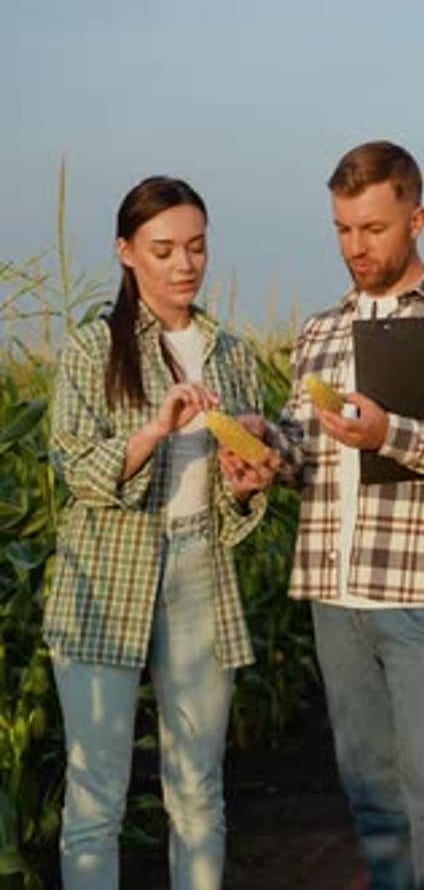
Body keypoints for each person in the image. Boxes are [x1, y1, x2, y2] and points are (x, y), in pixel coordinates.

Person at [219, 141, 424, 887]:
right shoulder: (320, 331)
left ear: (418, 218)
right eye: (342, 229)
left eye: (373, 228)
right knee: (375, 809)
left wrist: (390, 434)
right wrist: (259, 448)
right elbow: (301, 451)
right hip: (335, 598)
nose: (355, 247)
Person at [43, 175, 273, 890]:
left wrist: (244, 482)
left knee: (199, 791)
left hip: (198, 568)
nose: (184, 265)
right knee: (95, 795)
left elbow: (238, 497)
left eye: (196, 247)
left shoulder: (231, 353)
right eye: (164, 248)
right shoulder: (89, 350)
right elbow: (75, 469)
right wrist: (156, 426)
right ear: (126, 252)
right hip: (104, 577)